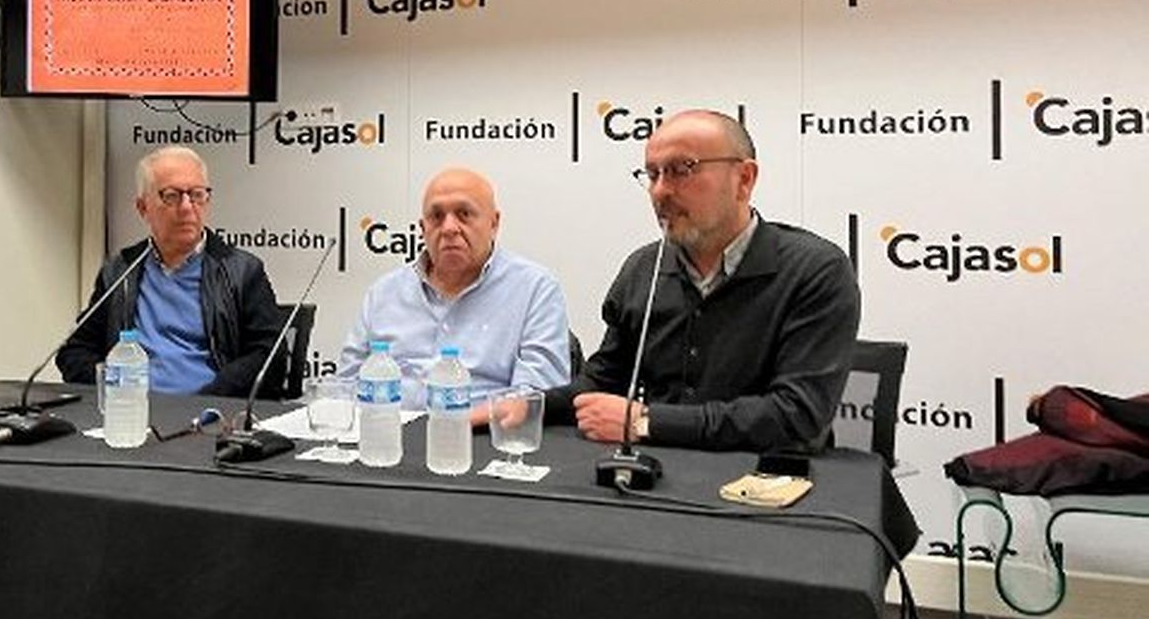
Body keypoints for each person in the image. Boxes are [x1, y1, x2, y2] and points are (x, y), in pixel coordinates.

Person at [552, 110, 859, 451]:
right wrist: (518, 407)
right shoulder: (644, 268)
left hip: (766, 482)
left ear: (744, 179)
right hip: (653, 473)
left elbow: (796, 415)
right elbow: (603, 382)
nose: (660, 191)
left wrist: (646, 422)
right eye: (652, 175)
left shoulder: (815, 270)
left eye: (682, 170)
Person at [57, 146, 286, 398]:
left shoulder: (241, 271)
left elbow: (269, 355)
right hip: (133, 413)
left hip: (209, 415)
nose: (187, 207)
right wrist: (116, 389)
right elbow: (75, 351)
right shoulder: (120, 271)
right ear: (143, 208)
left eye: (197, 195)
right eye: (172, 196)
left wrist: (210, 400)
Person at [339, 167, 570, 400]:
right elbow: (346, 385)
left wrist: (456, 421)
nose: (449, 228)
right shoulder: (383, 293)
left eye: (464, 214)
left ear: (494, 223)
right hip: (388, 428)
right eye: (437, 216)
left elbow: (537, 399)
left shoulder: (535, 289)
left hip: (482, 433)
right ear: (422, 228)